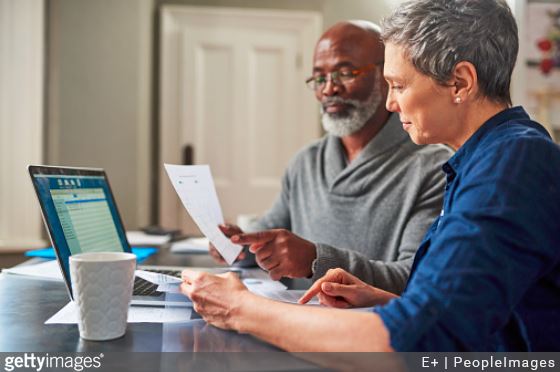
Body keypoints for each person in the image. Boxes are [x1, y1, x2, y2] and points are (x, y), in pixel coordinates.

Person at [181, 0, 560, 352]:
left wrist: (240, 309)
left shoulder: (510, 165)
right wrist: (382, 298)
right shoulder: (484, 160)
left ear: (460, 82)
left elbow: (417, 338)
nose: (391, 102)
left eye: (398, 85)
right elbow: (464, 314)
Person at [210, 20, 453, 294]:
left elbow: (415, 276)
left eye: (345, 72)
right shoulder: (306, 162)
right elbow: (269, 239)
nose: (328, 89)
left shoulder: (434, 168)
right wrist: (240, 246)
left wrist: (316, 260)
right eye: (319, 78)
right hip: (291, 322)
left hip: (367, 330)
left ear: (386, 77)